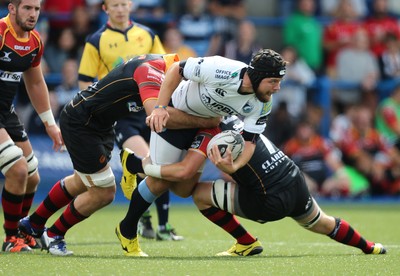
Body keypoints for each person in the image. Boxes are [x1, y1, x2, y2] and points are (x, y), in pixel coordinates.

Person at [18, 53, 220, 256]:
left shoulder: (162, 65)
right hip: (83, 123)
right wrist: (206, 122)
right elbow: (157, 116)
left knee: (82, 181)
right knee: (104, 192)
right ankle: (54, 234)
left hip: (101, 123)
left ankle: (33, 223)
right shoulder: (151, 71)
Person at [123, 115, 387, 256]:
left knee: (200, 195)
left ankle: (246, 242)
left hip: (269, 200)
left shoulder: (211, 132)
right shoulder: (245, 117)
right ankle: (369, 246)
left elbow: (184, 175)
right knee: (323, 222)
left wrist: (138, 166)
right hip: (293, 179)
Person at [116, 48, 287, 256]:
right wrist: (160, 107)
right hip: (177, 117)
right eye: (273, 81)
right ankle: (127, 229)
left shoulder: (263, 102)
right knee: (160, 182)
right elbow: (175, 70)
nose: (277, 88)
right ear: (258, 75)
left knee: (184, 188)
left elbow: (250, 142)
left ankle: (135, 164)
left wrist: (235, 165)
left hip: (209, 126)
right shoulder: (222, 69)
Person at [78, 0, 178, 241]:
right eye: (115, 5)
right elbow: (84, 81)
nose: (120, 9)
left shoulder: (147, 34)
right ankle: (144, 221)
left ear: (131, 6)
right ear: (105, 9)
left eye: (124, 4)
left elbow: (167, 69)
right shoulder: (96, 40)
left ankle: (163, 226)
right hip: (121, 116)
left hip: (150, 109)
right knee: (150, 163)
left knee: (160, 163)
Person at [0, 0, 63, 253]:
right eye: (27, 8)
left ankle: (23, 233)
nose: (33, 14)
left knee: (32, 177)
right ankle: (10, 237)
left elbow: (36, 84)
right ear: (12, 8)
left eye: (36, 9)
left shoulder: (34, 41)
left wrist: (50, 124)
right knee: (17, 168)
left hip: (6, 112)